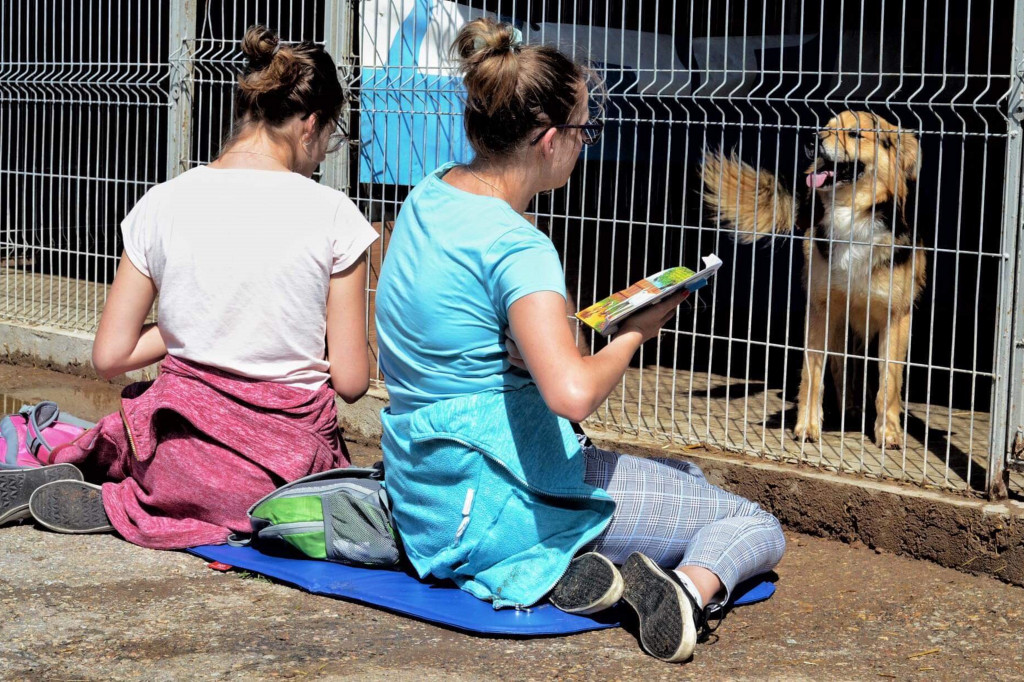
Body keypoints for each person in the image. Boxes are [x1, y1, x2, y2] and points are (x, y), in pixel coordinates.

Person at [373, 18, 785, 663]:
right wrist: (634, 333)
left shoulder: (431, 194)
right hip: (502, 504)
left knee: (685, 475)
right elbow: (570, 395)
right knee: (749, 522)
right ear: (547, 139)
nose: (586, 144)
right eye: (585, 129)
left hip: (427, 491)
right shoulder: (518, 246)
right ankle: (682, 590)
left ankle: (576, 569)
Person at [0, 25, 378, 549]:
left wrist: (183, 325)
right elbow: (353, 381)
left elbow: (111, 356)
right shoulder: (336, 214)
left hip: (173, 463)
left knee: (136, 427)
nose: (322, 156)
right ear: (311, 125)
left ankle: (118, 492)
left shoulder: (163, 201)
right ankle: (167, 503)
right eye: (330, 138)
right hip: (281, 483)